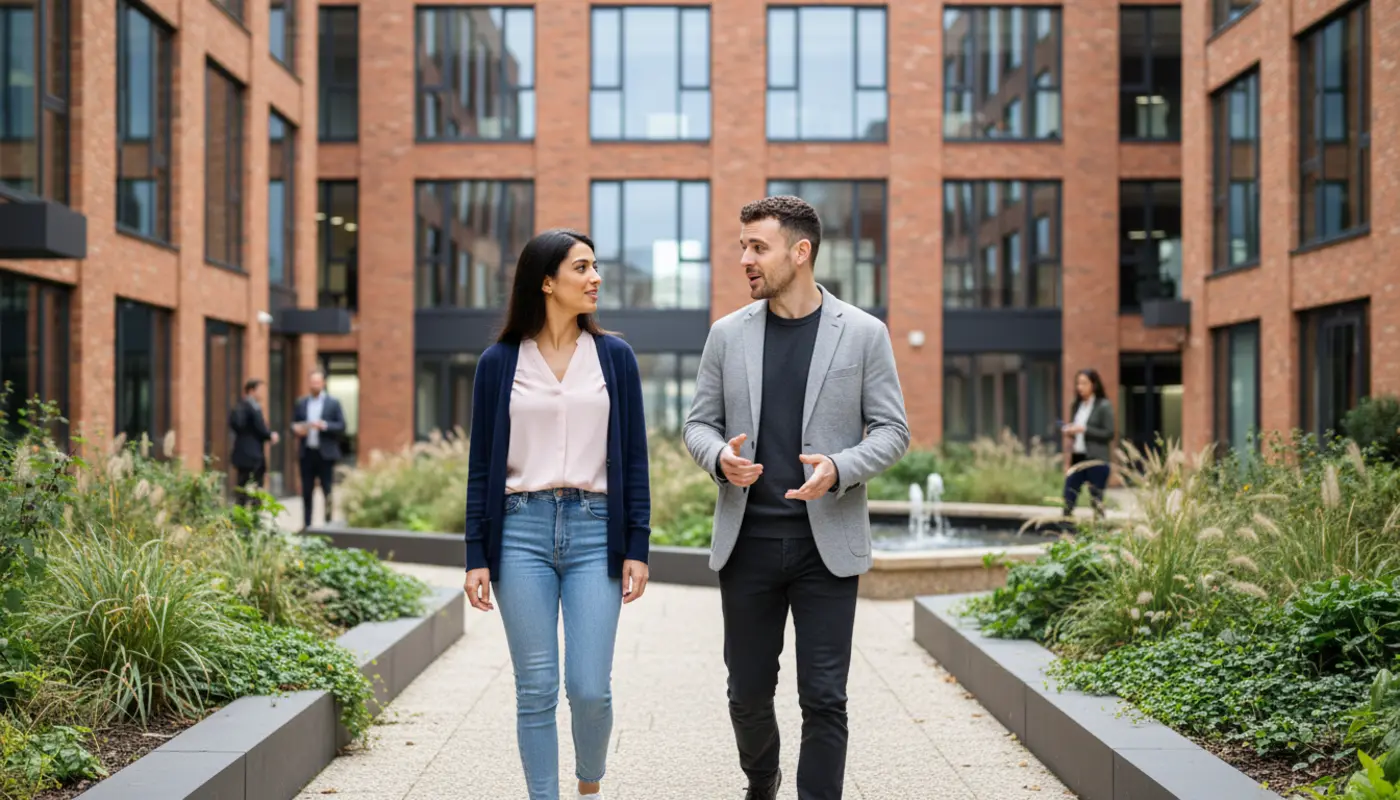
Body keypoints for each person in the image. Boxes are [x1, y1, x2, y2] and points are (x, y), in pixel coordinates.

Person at [683, 196, 910, 800]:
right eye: (742, 247)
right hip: (749, 543)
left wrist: (839, 468)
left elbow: (893, 431)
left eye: (758, 247)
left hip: (826, 546)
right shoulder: (726, 335)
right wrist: (718, 458)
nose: (745, 260)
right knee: (748, 692)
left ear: (799, 251)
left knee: (825, 696)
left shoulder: (864, 333)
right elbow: (697, 424)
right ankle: (763, 778)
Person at [462, 228, 652, 800]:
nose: (596, 278)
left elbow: (634, 459)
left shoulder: (614, 357)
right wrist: (476, 554)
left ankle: (589, 781)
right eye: (582, 268)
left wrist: (638, 544)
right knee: (536, 687)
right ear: (546, 282)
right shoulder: (499, 363)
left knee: (590, 687)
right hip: (519, 531)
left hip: (597, 531)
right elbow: (480, 468)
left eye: (595, 267)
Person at [292, 370, 347, 529]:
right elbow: (293, 423)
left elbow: (342, 425)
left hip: (326, 454)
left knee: (327, 489)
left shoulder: (333, 403)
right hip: (307, 452)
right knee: (307, 490)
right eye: (312, 382)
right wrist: (297, 428)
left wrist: (324, 425)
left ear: (323, 383)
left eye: (318, 382)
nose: (315, 385)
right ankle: (307, 525)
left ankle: (328, 524)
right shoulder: (302, 403)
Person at [1061, 368, 1115, 519]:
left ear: (1094, 384)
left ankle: (1100, 530)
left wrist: (1085, 429)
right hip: (1078, 455)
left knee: (1096, 498)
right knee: (1068, 494)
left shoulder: (1103, 406)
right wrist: (1070, 431)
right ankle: (1065, 528)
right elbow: (1076, 432)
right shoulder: (1076, 405)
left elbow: (1109, 433)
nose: (1080, 387)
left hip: (1096, 458)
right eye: (1078, 383)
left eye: (1084, 383)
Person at [228, 378, 278, 506]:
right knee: (252, 488)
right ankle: (249, 518)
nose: (263, 394)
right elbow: (259, 428)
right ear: (251, 391)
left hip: (245, 454)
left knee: (245, 487)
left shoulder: (241, 406)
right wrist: (270, 435)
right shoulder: (251, 407)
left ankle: (244, 516)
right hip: (252, 455)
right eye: (260, 390)